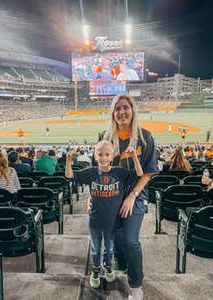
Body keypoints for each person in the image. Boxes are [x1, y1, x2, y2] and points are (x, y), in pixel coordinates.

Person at [95, 94, 158, 300]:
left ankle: (136, 284)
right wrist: (93, 196)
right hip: (110, 195)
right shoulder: (105, 136)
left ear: (132, 110)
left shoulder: (145, 137)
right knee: (117, 237)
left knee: (131, 240)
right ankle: (122, 264)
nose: (122, 112)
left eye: (125, 107)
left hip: (136, 194)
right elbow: (100, 171)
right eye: (117, 108)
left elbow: (147, 173)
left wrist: (132, 196)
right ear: (113, 113)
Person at [65, 140, 143, 289]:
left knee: (109, 248)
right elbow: (70, 176)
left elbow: (139, 174)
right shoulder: (91, 172)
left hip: (112, 221)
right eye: (100, 154)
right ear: (95, 156)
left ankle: (107, 267)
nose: (103, 158)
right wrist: (69, 161)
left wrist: (134, 157)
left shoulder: (119, 172)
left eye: (107, 155)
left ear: (112, 156)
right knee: (95, 249)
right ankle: (95, 270)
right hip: (95, 220)